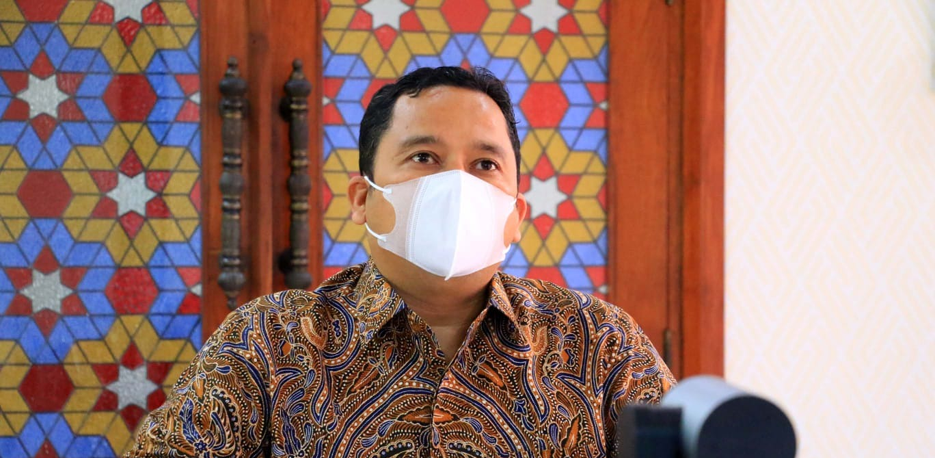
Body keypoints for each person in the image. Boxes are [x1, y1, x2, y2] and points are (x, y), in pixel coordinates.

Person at [127, 66, 674, 458]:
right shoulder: (268, 340)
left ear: (516, 214)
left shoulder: (600, 342)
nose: (456, 184)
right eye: (424, 157)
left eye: (485, 164)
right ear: (363, 199)